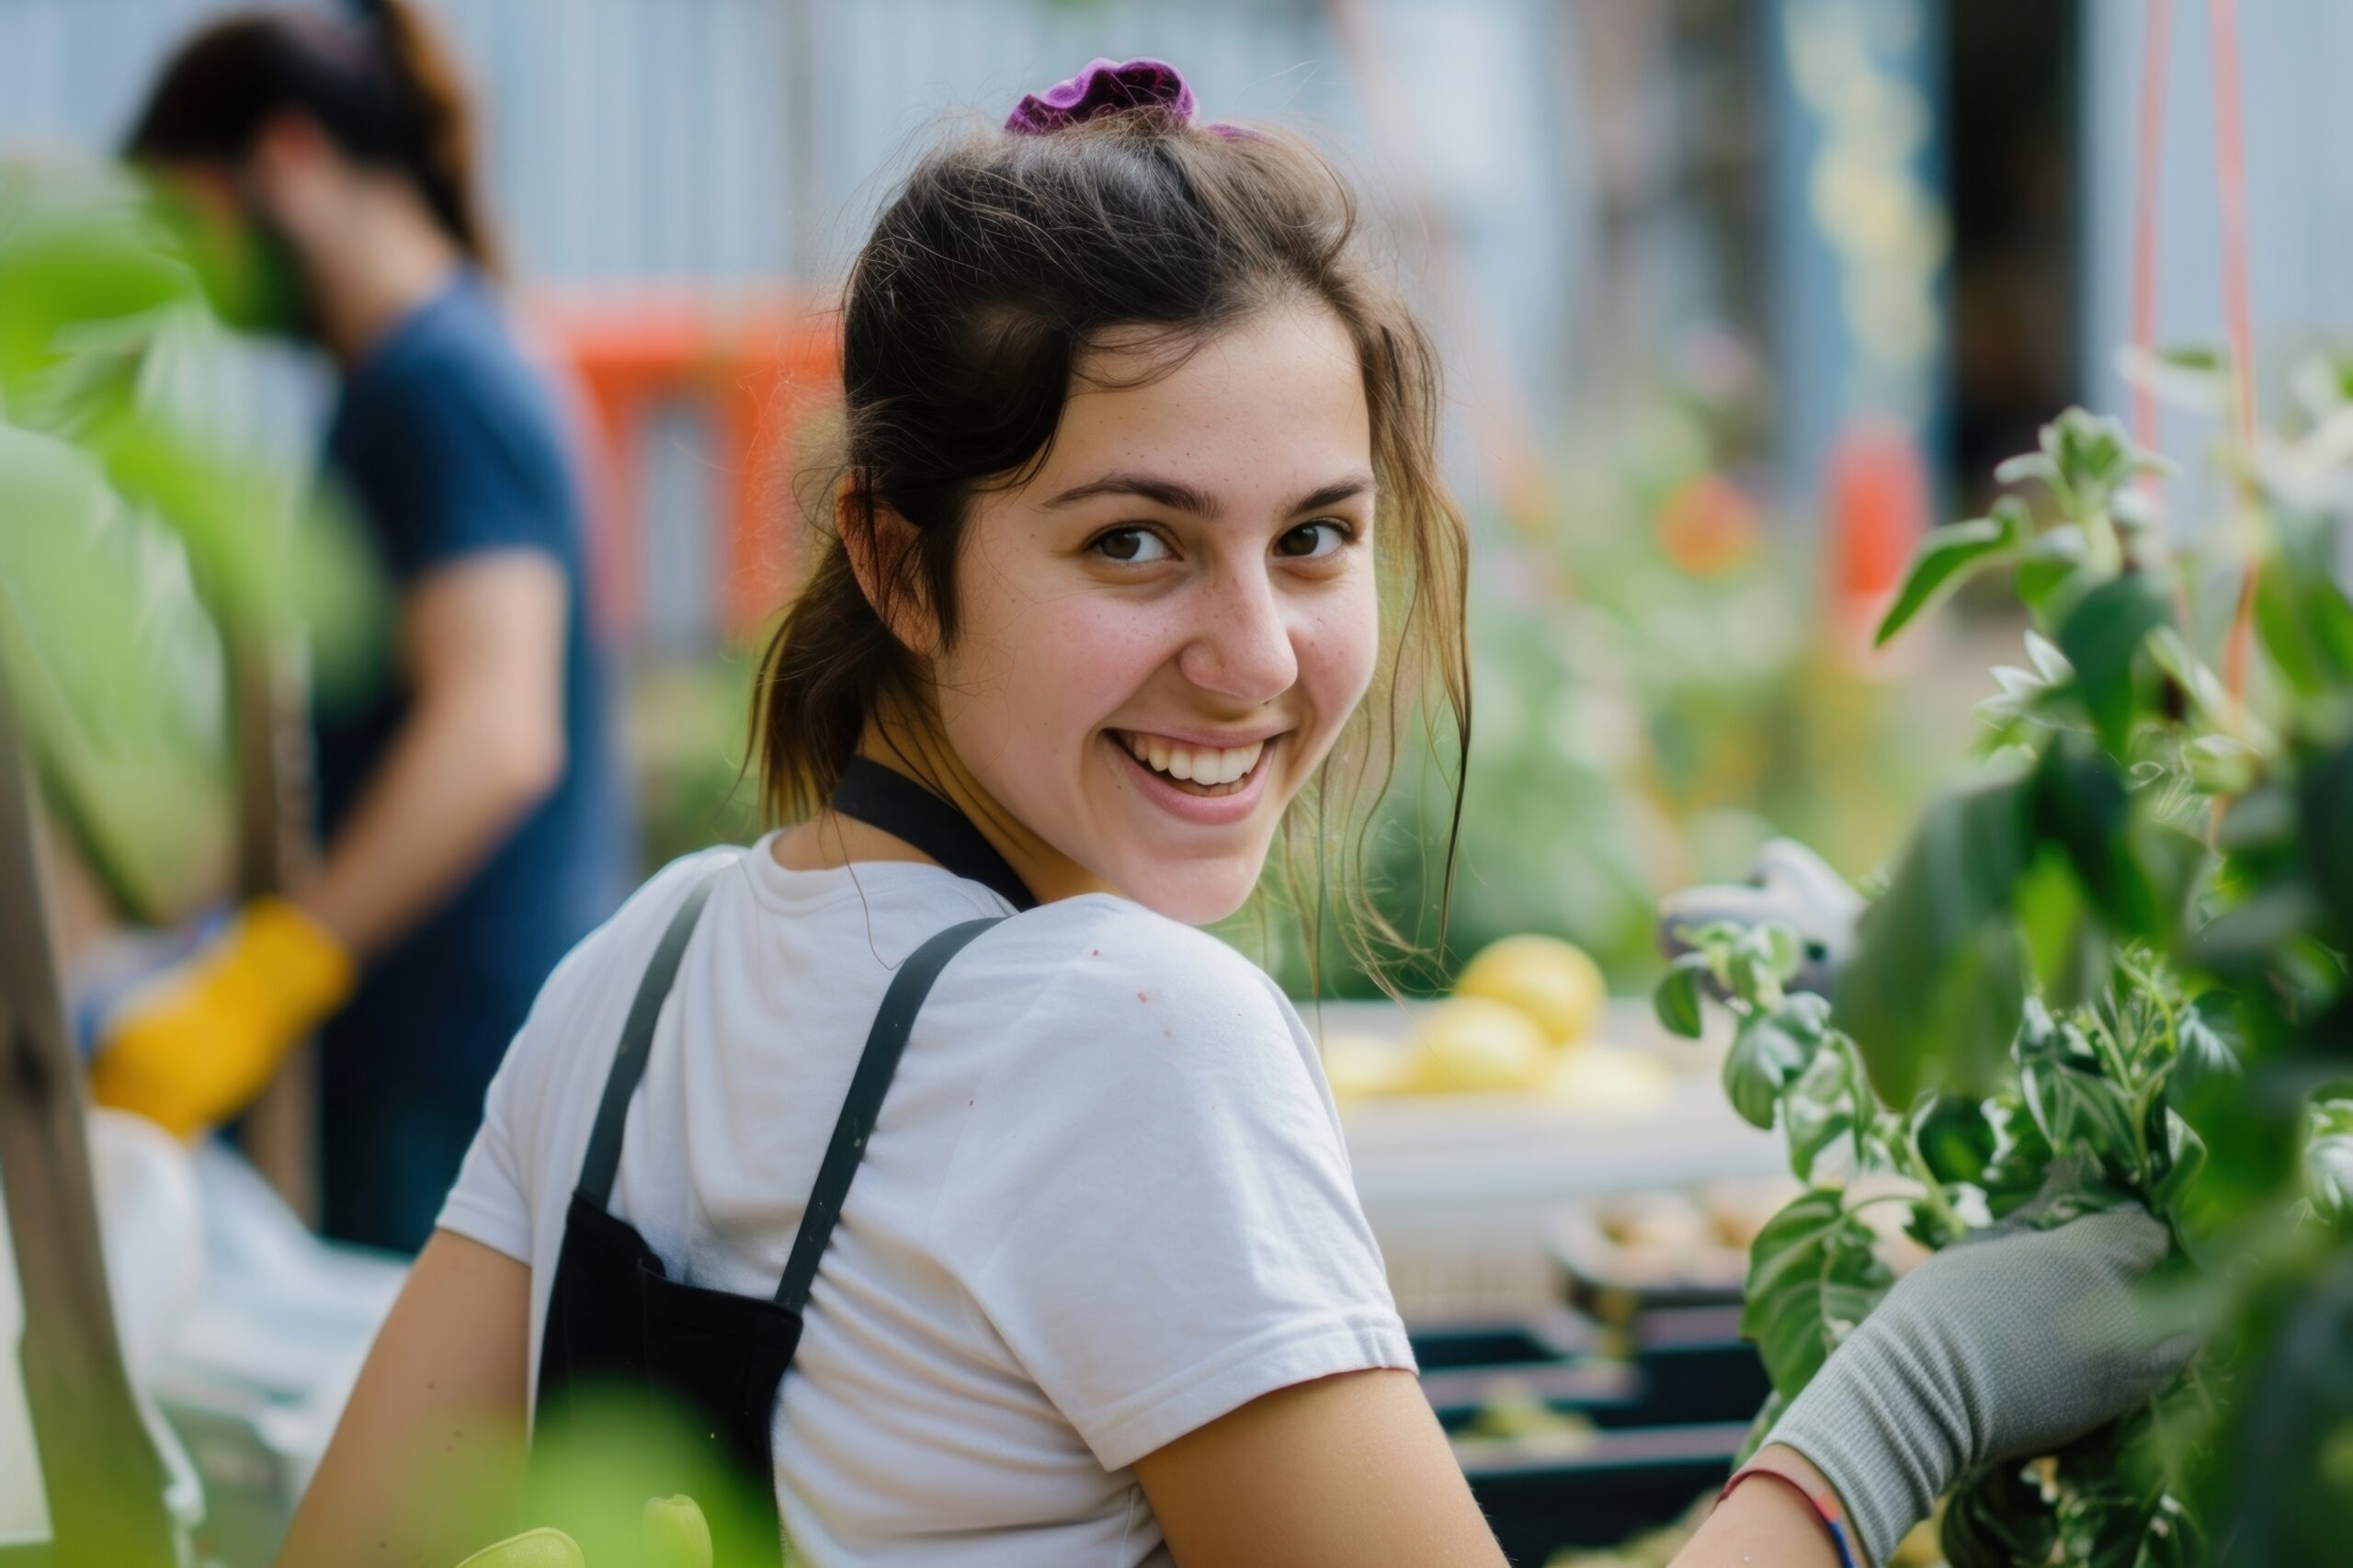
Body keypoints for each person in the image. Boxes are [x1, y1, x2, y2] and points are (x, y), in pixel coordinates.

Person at [273, 60, 2188, 1568]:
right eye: (1135, 543)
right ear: (899, 561)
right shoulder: (1128, 1031)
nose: (1255, 655)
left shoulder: (644, 962)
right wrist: (1890, 1419)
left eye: (1315, 540)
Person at [96, 0, 627, 1252]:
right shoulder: (414, 372)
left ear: (284, 160)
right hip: (423, 1043)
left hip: (453, 1057)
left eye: (189, 221)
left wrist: (271, 973)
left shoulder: (437, 381)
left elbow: (496, 729)